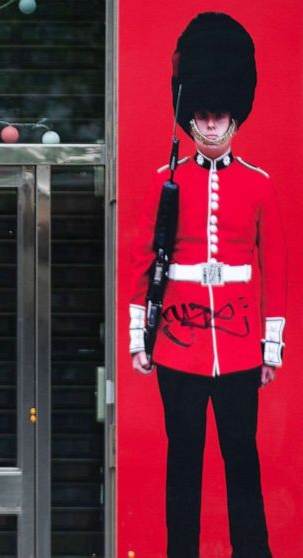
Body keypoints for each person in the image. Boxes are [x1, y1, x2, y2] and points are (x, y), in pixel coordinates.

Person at [127, 12, 285, 558]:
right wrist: (138, 338)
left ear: (233, 116)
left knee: (243, 459)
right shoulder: (163, 182)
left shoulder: (259, 185)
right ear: (191, 116)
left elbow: (276, 270)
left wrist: (271, 345)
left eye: (220, 116)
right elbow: (143, 261)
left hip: (241, 347)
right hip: (179, 344)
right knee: (184, 463)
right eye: (204, 116)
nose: (213, 125)